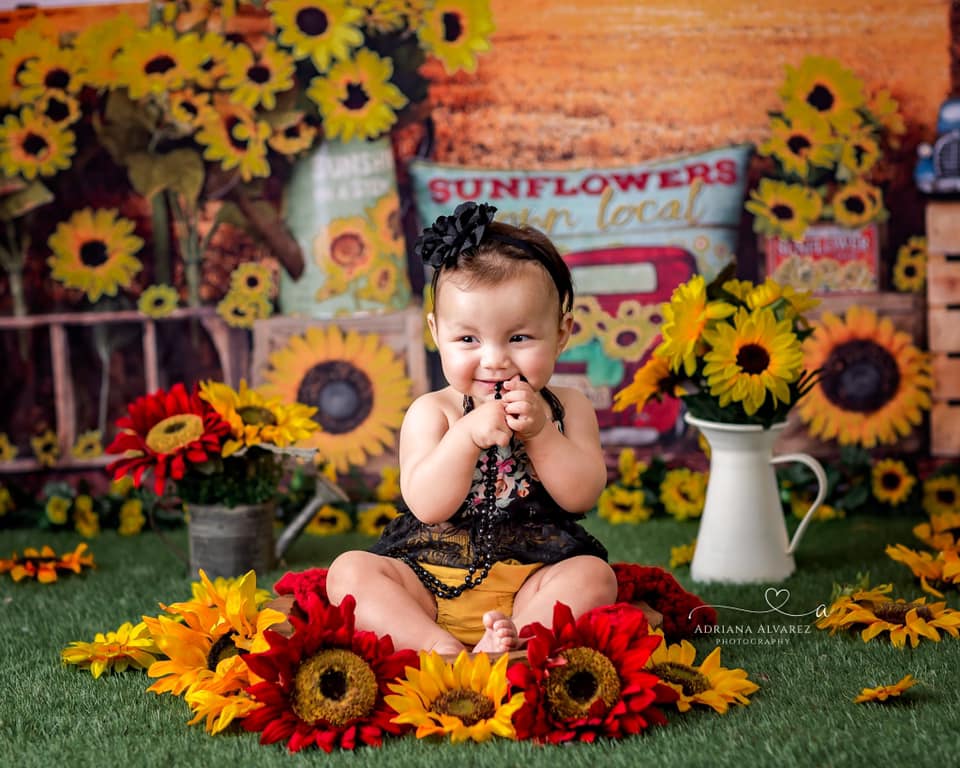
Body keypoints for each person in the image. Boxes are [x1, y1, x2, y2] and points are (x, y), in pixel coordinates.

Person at [325, 201, 618, 655]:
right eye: (468, 339)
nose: (495, 359)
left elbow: (582, 495)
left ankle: (511, 638)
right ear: (436, 332)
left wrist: (542, 433)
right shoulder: (433, 411)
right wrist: (464, 436)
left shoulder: (568, 407)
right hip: (430, 573)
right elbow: (426, 505)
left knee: (595, 578)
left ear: (561, 334)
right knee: (348, 572)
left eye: (519, 338)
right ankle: (438, 646)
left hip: (532, 578)